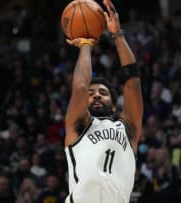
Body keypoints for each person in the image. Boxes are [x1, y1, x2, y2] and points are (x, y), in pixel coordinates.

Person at [64, 0, 143, 202]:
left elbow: (132, 81)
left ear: (115, 104)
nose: (96, 95)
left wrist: (117, 35)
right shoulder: (78, 126)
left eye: (103, 92)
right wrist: (85, 44)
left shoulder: (128, 129)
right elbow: (81, 87)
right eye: (92, 94)